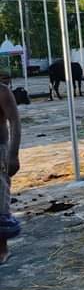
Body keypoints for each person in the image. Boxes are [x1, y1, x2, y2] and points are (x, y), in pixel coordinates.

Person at [0, 83, 21, 264]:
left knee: (0, 199)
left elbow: (14, 121)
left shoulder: (2, 91)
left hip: (0, 151)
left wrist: (13, 154)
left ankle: (2, 247)